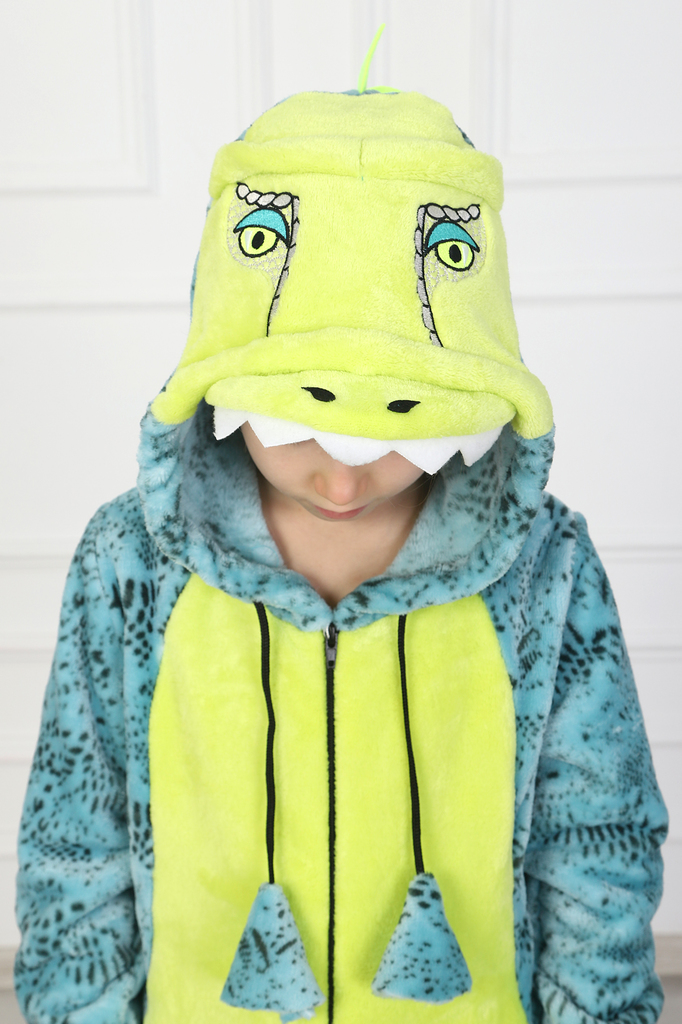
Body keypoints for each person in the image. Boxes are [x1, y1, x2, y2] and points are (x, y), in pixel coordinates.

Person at [15, 88, 667, 1024]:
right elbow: (74, 836)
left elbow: (597, 843)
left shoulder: (545, 566)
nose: (344, 478)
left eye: (401, 433)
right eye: (299, 428)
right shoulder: (131, 561)